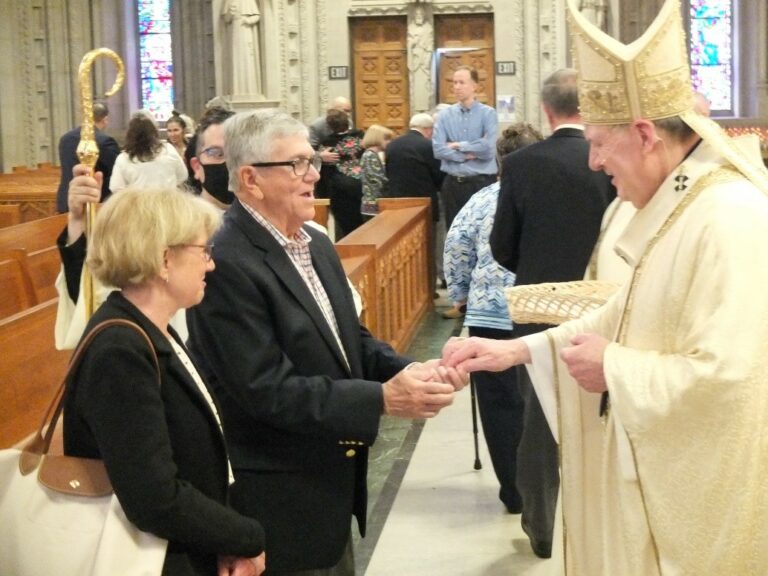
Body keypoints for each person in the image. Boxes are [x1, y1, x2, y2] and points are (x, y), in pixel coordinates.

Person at [443, 0, 768, 573]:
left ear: (644, 134)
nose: (592, 162)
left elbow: (735, 380)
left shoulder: (728, 216)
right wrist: (519, 349)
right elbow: (627, 311)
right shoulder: (651, 204)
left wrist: (616, 369)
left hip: (689, 507)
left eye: (598, 143)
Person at [186, 109, 466, 575]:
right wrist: (381, 398)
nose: (314, 174)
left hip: (329, 482)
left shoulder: (313, 240)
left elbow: (346, 336)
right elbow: (263, 388)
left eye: (312, 160)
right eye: (296, 164)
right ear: (251, 179)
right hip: (277, 495)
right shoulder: (228, 260)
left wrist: (404, 370)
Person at [63, 187, 266, 576]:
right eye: (203, 251)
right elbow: (153, 497)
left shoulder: (155, 330)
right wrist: (245, 536)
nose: (211, 265)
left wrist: (222, 539)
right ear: (164, 260)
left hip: (185, 549)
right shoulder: (120, 350)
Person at [488, 68, 614, 558]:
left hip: (538, 306)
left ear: (546, 110)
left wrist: (540, 271)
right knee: (603, 407)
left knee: (539, 414)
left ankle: (540, 523)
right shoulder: (608, 157)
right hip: (604, 300)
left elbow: (502, 245)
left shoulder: (521, 164)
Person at [55, 108, 236, 350]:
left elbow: (117, 188)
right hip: (150, 227)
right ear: (197, 165)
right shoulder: (170, 241)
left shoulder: (127, 158)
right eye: (216, 154)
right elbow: (95, 293)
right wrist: (78, 220)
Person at [443, 122, 542, 515]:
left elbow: (457, 248)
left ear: (498, 160)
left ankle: (514, 490)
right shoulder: (549, 197)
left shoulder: (483, 199)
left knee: (500, 405)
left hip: (488, 314)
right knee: (538, 400)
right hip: (538, 312)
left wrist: (463, 298)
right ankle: (544, 489)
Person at [432, 65, 497, 231]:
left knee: (483, 232)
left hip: (481, 182)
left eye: (462, 82)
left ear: (474, 86)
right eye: (454, 83)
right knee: (455, 233)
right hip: (454, 184)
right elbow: (438, 149)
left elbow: (488, 148)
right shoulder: (445, 115)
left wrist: (458, 145)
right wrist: (465, 155)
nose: (457, 87)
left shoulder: (487, 114)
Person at [56, 102, 119, 213]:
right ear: (105, 119)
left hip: (67, 199)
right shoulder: (105, 142)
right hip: (92, 201)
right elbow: (115, 173)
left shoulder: (65, 138)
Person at [109, 113, 187, 194]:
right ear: (154, 133)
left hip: (138, 204)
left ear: (130, 135)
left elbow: (116, 187)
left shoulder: (123, 158)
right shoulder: (168, 149)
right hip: (167, 202)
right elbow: (183, 175)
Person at [320, 109, 365, 238]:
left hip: (341, 191)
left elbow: (325, 171)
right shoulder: (360, 135)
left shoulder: (327, 144)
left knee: (347, 228)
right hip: (362, 185)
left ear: (329, 126)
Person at [220, 0, 263, 96]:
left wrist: (247, 20)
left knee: (248, 59)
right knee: (235, 59)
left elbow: (256, 16)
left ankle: (251, 90)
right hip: (234, 31)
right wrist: (230, 13)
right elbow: (226, 19)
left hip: (246, 31)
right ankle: (235, 90)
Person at [359, 124, 393, 218]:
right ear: (377, 139)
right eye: (386, 139)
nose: (389, 142)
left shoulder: (371, 155)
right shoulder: (370, 156)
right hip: (373, 204)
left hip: (373, 203)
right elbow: (379, 180)